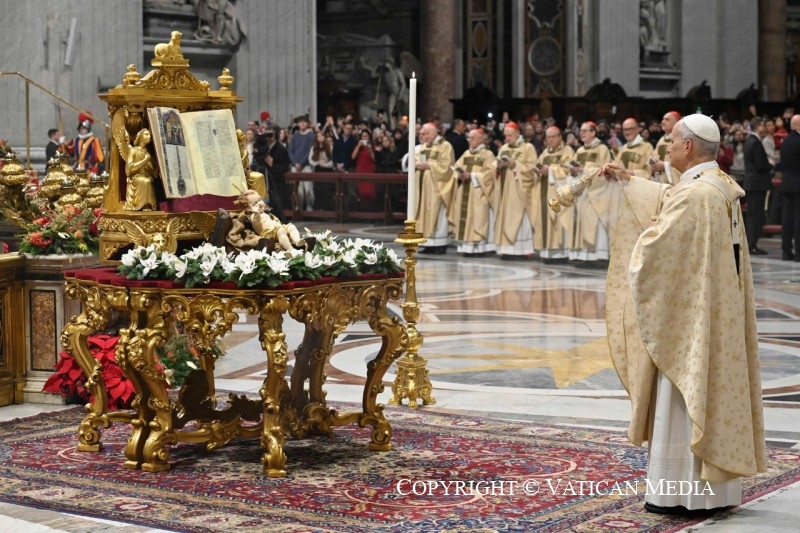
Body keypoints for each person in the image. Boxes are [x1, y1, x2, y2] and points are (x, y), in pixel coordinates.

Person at [601, 113, 766, 516]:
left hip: (689, 323)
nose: (668, 147)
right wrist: (631, 181)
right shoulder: (719, 185)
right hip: (713, 311)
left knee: (684, 394)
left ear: (689, 146)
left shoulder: (696, 196)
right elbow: (670, 199)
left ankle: (682, 493)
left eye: (672, 141)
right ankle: (717, 493)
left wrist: (637, 243)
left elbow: (653, 253)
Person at [571, 121, 616, 263]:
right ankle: (584, 255)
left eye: (585, 131)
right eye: (581, 131)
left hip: (598, 193)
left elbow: (606, 171)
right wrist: (573, 171)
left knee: (597, 221)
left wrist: (583, 170)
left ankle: (599, 255)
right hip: (583, 192)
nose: (581, 133)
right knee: (583, 222)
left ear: (593, 133)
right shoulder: (579, 151)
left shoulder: (602, 149)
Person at [449, 128, 497, 256]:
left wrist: (473, 176)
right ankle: (466, 247)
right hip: (465, 189)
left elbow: (490, 174)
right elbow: (456, 167)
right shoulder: (466, 154)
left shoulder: (488, 154)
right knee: (465, 218)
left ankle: (479, 248)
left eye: (472, 138)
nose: (469, 140)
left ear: (481, 139)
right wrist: (458, 175)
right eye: (468, 138)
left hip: (479, 192)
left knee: (478, 218)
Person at [494, 122, 538, 259]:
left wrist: (515, 165)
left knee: (520, 219)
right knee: (505, 217)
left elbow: (532, 169)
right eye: (505, 136)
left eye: (509, 135)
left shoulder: (528, 147)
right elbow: (495, 167)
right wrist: (498, 166)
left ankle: (521, 250)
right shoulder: (503, 148)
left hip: (519, 190)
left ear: (518, 133)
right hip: (505, 189)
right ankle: (506, 249)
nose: (506, 138)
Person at [533, 126, 575, 262]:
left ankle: (560, 253)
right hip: (544, 191)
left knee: (557, 221)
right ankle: (546, 253)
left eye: (553, 137)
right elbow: (538, 165)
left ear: (560, 137)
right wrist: (538, 170)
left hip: (558, 193)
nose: (550, 140)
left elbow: (569, 171)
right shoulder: (545, 153)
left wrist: (550, 171)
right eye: (548, 137)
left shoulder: (567, 151)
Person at [415, 122, 455, 254]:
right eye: (423, 134)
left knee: (438, 214)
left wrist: (430, 166)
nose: (424, 137)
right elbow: (416, 159)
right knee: (424, 214)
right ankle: (427, 243)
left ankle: (440, 243)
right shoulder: (423, 147)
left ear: (434, 132)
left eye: (426, 134)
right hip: (423, 187)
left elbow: (447, 166)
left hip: (438, 187)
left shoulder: (445, 146)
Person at [743, 117, 773, 255]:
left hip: (751, 182)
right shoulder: (755, 142)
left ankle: (750, 243)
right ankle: (752, 244)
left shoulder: (749, 140)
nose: (764, 127)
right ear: (758, 127)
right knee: (755, 216)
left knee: (752, 215)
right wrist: (770, 165)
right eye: (762, 125)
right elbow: (760, 165)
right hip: (757, 183)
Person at [779, 114, 800, 261]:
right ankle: (799, 252)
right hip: (798, 184)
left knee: (787, 218)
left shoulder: (785, 141)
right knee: (798, 219)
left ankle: (786, 251)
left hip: (786, 184)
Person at [122, 129, 158, 211]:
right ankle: (142, 205)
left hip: (146, 176)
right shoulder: (133, 150)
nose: (149, 136)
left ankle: (149, 205)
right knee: (145, 181)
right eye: (146, 134)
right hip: (135, 177)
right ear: (140, 137)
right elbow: (130, 168)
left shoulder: (147, 153)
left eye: (150, 135)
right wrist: (145, 160)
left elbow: (154, 173)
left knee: (148, 181)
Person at [288, 115, 315, 211]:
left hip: (306, 166)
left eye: (304, 122)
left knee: (307, 190)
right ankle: (298, 208)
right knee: (298, 190)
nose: (302, 124)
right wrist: (295, 163)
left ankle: (309, 208)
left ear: (307, 123)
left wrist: (301, 163)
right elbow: (290, 151)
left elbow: (309, 151)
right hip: (295, 166)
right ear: (298, 124)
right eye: (300, 122)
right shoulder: (295, 136)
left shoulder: (311, 135)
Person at [649, 111, 682, 184]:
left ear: (677, 122)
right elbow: (655, 157)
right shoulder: (661, 140)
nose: (662, 122)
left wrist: (665, 166)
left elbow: (683, 162)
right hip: (660, 180)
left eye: (667, 120)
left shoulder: (681, 139)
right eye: (663, 119)